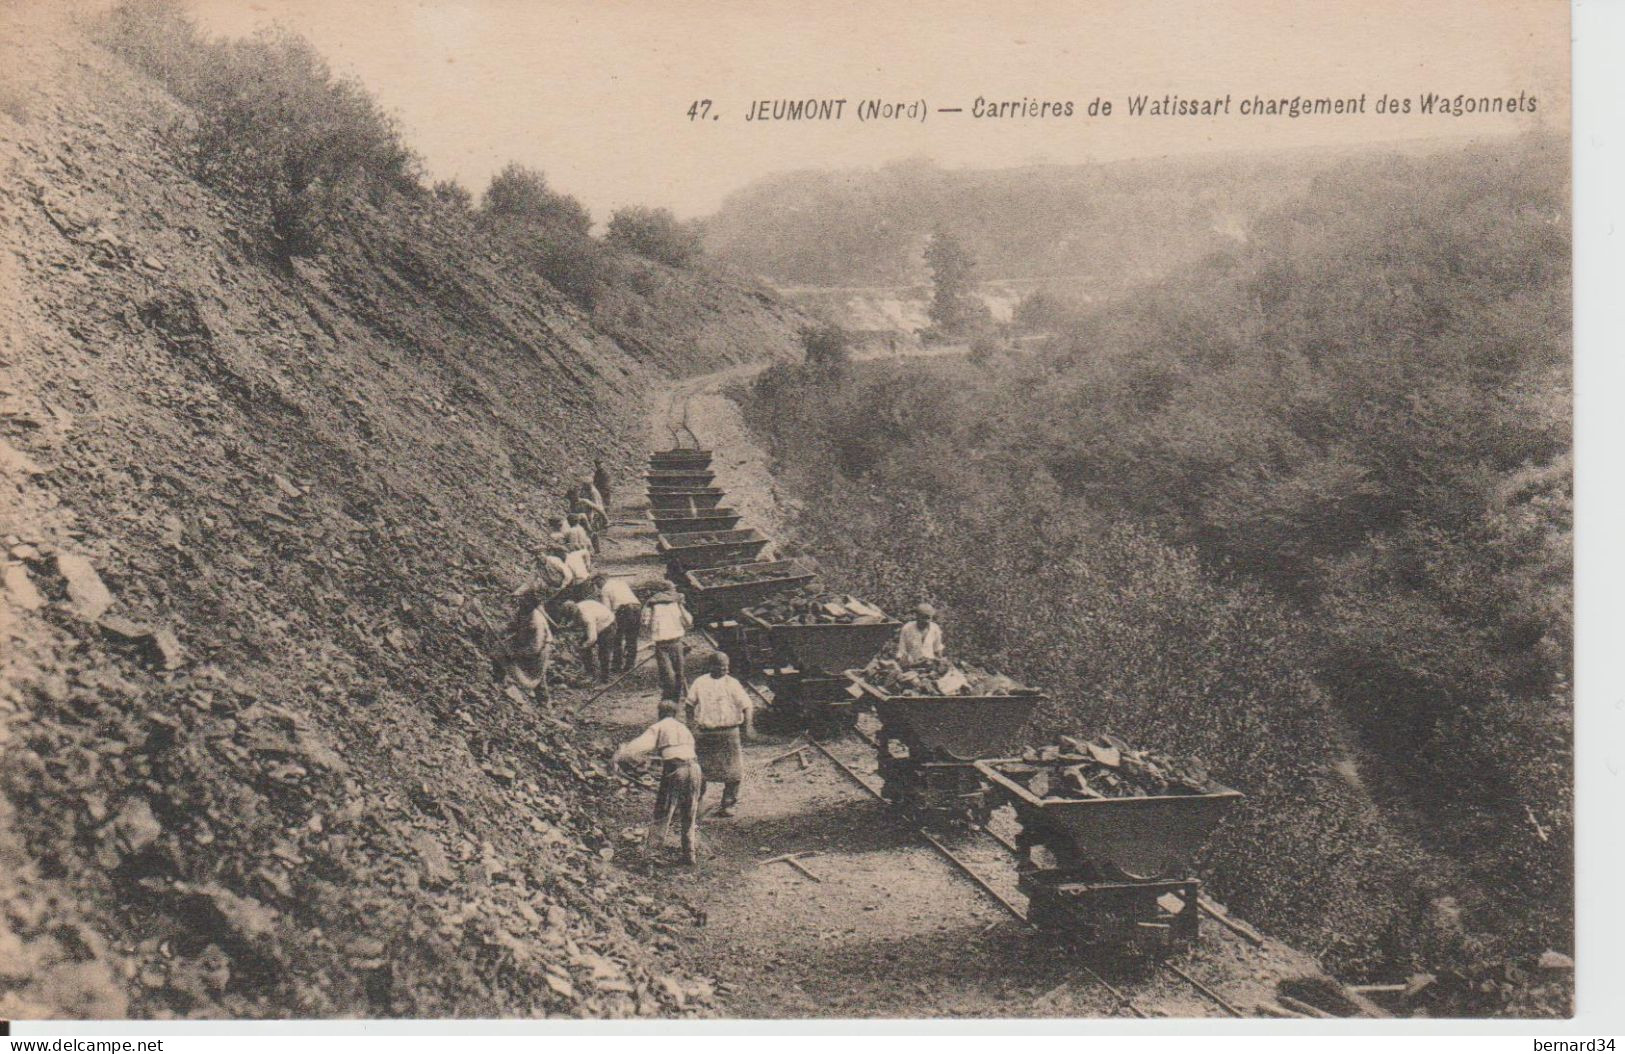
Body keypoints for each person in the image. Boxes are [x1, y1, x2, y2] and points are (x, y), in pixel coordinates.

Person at [612, 699, 701, 865]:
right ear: (675, 713)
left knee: (663, 812)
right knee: (689, 811)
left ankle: (651, 856)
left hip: (676, 769)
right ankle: (689, 854)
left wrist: (630, 763)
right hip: (695, 768)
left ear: (660, 713)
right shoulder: (683, 728)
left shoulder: (658, 727)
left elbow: (631, 752)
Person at [684, 652, 753, 817]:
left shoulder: (733, 683)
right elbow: (689, 704)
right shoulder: (700, 682)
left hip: (729, 733)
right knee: (700, 771)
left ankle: (728, 804)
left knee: (734, 772)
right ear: (710, 666)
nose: (724, 670)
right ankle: (697, 803)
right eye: (720, 667)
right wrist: (691, 726)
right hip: (706, 733)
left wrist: (748, 727)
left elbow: (747, 706)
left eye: (726, 667)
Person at [502, 595, 554, 705]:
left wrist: (516, 654)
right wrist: (503, 632)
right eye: (521, 604)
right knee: (503, 654)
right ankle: (499, 680)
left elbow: (535, 648)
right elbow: (513, 625)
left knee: (537, 674)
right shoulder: (522, 612)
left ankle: (544, 703)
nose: (521, 607)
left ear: (531, 607)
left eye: (525, 605)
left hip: (541, 648)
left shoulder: (537, 622)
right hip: (525, 641)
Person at [645, 586, 693, 702]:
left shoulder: (676, 605)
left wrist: (681, 606)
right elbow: (645, 622)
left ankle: (674, 701)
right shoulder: (652, 606)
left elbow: (688, 622)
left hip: (676, 642)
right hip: (662, 645)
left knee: (679, 675)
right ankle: (668, 700)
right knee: (668, 676)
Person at [563, 598, 616, 683]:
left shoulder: (586, 616)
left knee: (603, 652)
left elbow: (592, 638)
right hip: (597, 621)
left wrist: (582, 646)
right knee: (584, 648)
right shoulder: (577, 608)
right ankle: (590, 673)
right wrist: (568, 627)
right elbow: (575, 620)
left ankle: (604, 678)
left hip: (607, 624)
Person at [598, 574, 643, 673]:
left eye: (597, 584)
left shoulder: (605, 589)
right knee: (631, 638)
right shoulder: (620, 582)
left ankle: (617, 666)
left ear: (601, 580)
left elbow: (607, 610)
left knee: (617, 638)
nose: (598, 587)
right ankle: (630, 665)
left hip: (623, 610)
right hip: (637, 607)